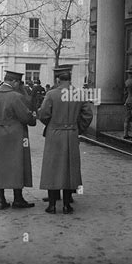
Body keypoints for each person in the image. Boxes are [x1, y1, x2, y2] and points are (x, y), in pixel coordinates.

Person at [38, 67, 93, 214]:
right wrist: (77, 128)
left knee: (52, 167)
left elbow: (43, 114)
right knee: (70, 168)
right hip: (71, 134)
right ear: (70, 79)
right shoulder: (79, 94)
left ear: (58, 80)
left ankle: (52, 205)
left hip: (54, 134)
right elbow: (88, 115)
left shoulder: (51, 94)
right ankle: (67, 205)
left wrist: (51, 124)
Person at [0, 70, 36, 210]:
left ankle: (1, 200)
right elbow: (25, 117)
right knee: (17, 165)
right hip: (14, 136)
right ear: (15, 82)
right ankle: (18, 198)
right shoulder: (16, 97)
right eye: (19, 83)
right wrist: (32, 118)